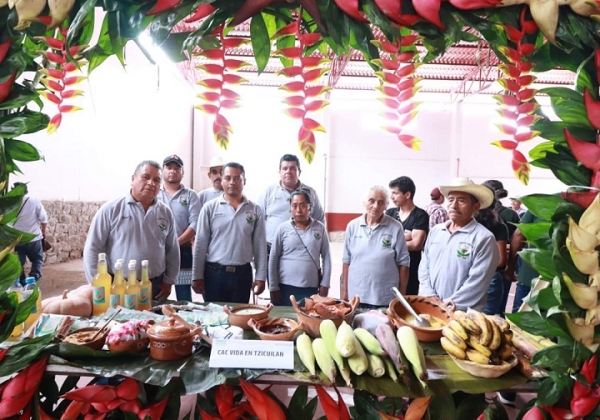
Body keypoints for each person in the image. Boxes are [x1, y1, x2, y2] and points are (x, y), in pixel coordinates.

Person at [83, 160, 179, 300]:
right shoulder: (110, 210)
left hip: (154, 285)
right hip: (118, 285)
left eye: (156, 180)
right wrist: (98, 285)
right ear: (133, 179)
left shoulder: (165, 212)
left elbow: (172, 250)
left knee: (152, 321)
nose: (151, 183)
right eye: (146, 177)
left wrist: (169, 281)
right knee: (119, 321)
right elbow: (93, 248)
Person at [418, 177, 500, 311]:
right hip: (429, 305)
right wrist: (429, 295)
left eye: (461, 200)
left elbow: (478, 282)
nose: (454, 205)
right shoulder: (436, 231)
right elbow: (424, 265)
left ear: (476, 206)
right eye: (451, 200)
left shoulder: (483, 238)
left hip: (462, 314)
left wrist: (450, 303)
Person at [191, 162, 267, 303]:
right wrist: (197, 276)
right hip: (214, 274)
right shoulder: (209, 208)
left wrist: (261, 277)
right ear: (221, 180)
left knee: (239, 318)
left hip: (243, 275)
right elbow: (200, 244)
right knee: (213, 319)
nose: (232, 182)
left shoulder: (255, 210)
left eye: (237, 178)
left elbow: (260, 246)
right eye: (228, 178)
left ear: (244, 181)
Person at [342, 185, 410, 308]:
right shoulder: (352, 226)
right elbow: (346, 261)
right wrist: (345, 292)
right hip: (356, 297)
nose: (375, 206)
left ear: (386, 206)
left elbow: (404, 263)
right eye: (371, 201)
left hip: (385, 298)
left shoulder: (395, 227)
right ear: (364, 202)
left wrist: (401, 296)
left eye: (380, 202)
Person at [269, 189, 331, 305]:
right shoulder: (282, 229)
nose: (298, 210)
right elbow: (273, 258)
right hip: (285, 287)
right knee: (286, 320)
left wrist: (325, 284)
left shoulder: (320, 228)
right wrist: (273, 287)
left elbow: (327, 257)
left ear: (310, 207)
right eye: (294, 206)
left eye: (303, 206)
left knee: (308, 319)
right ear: (290, 208)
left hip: (311, 287)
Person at [157, 155, 201, 302]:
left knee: (183, 294)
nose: (172, 171)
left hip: (184, 252)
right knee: (159, 292)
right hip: (157, 252)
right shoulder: (154, 194)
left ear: (182, 173)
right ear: (162, 171)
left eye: (177, 168)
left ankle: (185, 322)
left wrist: (176, 242)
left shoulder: (191, 195)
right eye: (169, 168)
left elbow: (195, 223)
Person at [258, 154, 325, 252]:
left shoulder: (310, 193)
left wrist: (317, 244)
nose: (288, 171)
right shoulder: (268, 192)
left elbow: (320, 221)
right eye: (284, 168)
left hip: (302, 249)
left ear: (299, 172)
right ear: (279, 172)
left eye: (292, 168)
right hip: (271, 248)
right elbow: (257, 222)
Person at [385, 176, 429, 295]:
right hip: (389, 267)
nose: (391, 197)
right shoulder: (389, 213)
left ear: (407, 194)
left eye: (395, 193)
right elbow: (382, 239)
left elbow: (416, 244)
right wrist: (407, 236)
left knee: (407, 304)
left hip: (411, 269)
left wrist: (392, 241)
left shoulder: (420, 215)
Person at [474, 195, 510, 316]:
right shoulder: (499, 227)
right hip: (491, 277)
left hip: (467, 276)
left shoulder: (468, 227)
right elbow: (501, 260)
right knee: (487, 321)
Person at [11, 182, 48, 283]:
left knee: (19, 262)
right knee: (37, 259)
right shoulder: (34, 201)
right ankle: (34, 279)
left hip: (18, 239)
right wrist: (44, 232)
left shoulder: (10, 203)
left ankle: (21, 282)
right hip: (34, 238)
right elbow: (44, 218)